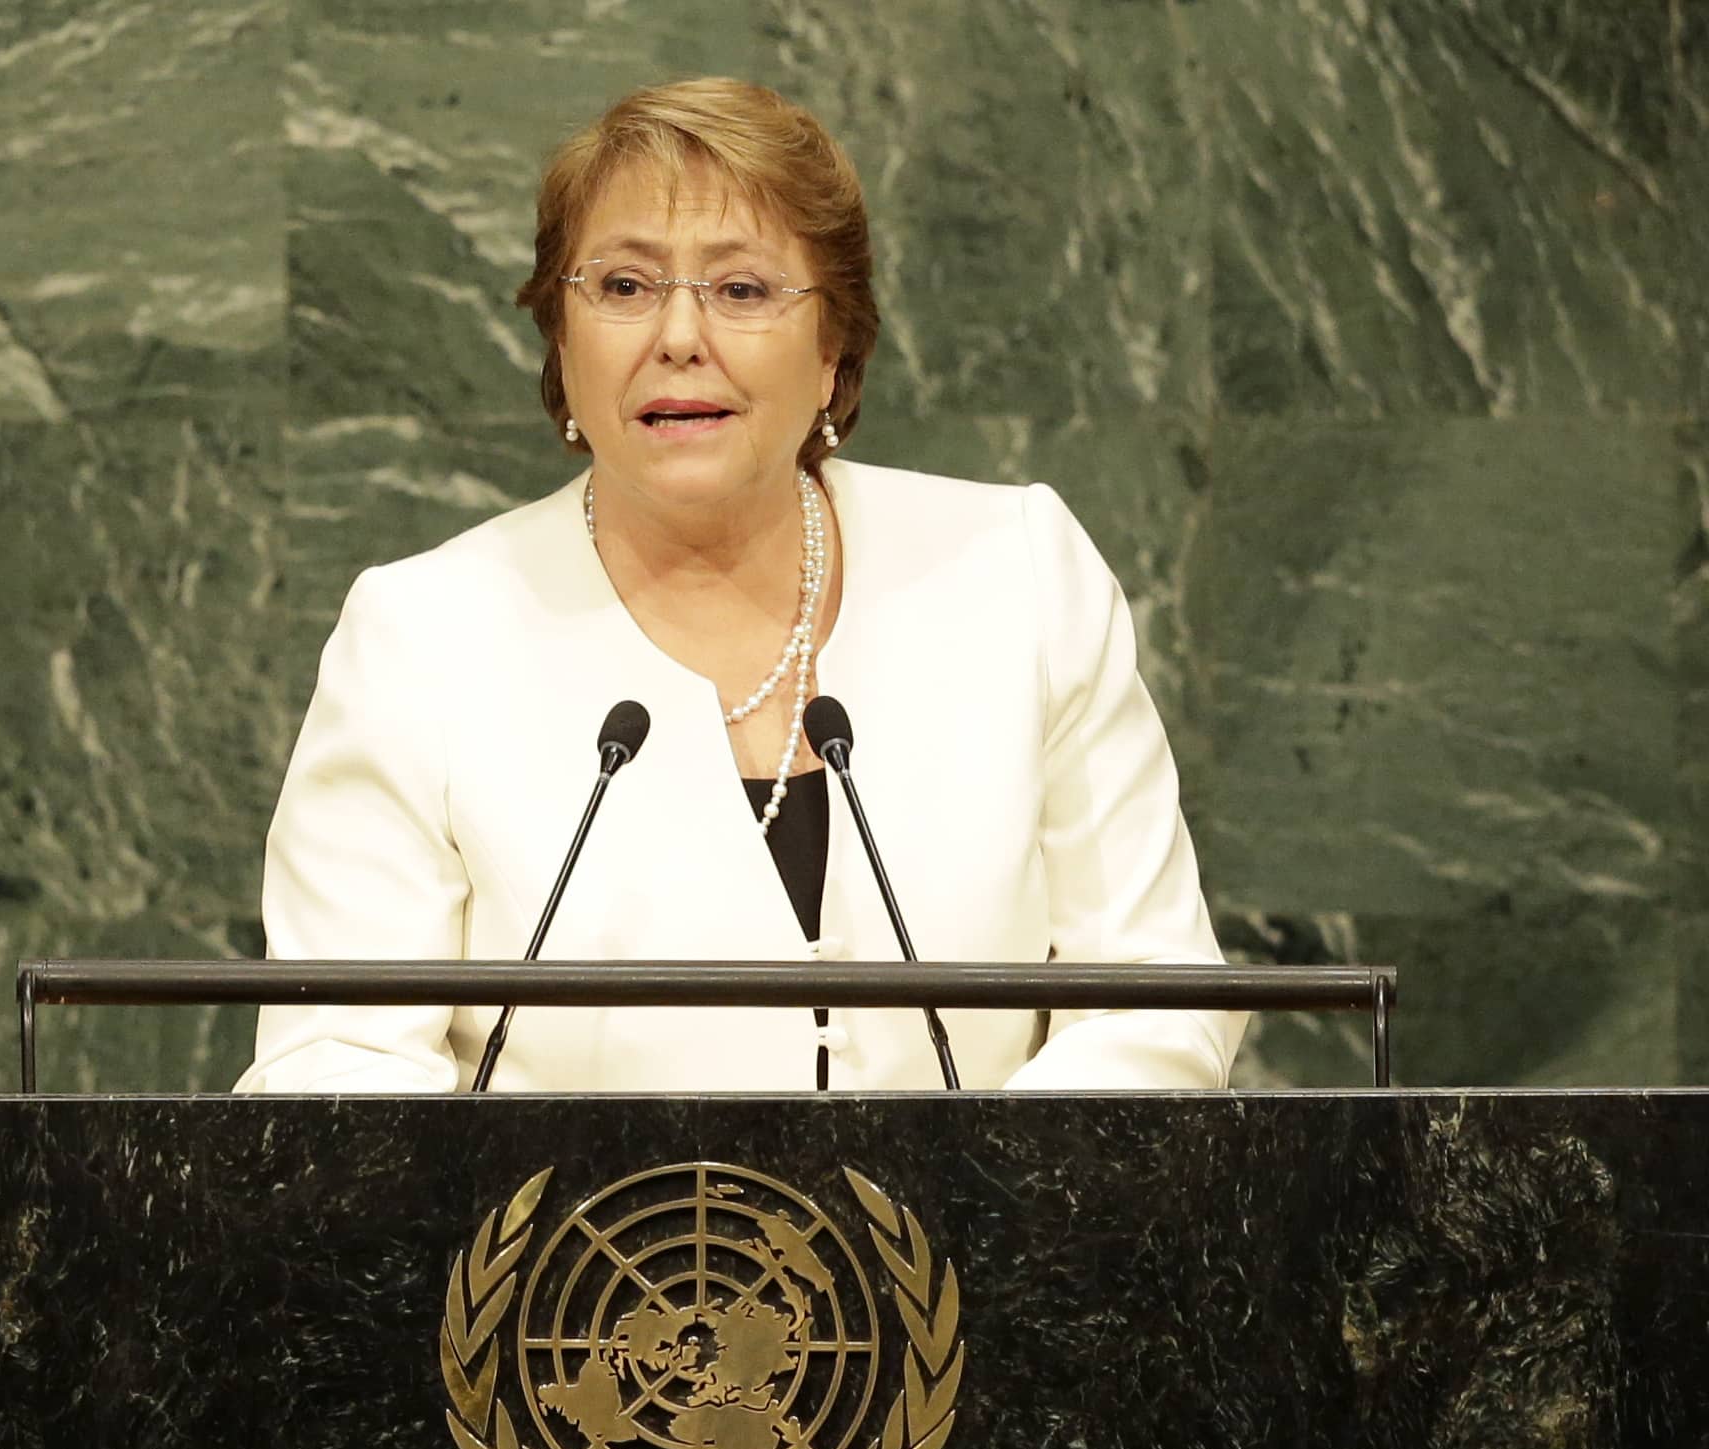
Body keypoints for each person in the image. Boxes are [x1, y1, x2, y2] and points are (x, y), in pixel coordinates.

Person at [236, 78, 1244, 1094]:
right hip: (575, 1254)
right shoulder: (423, 638)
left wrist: (977, 1220)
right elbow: (338, 1069)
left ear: (833, 346)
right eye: (624, 288)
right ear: (560, 338)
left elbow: (1154, 1004)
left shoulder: (1018, 575)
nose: (679, 337)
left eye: (743, 289)